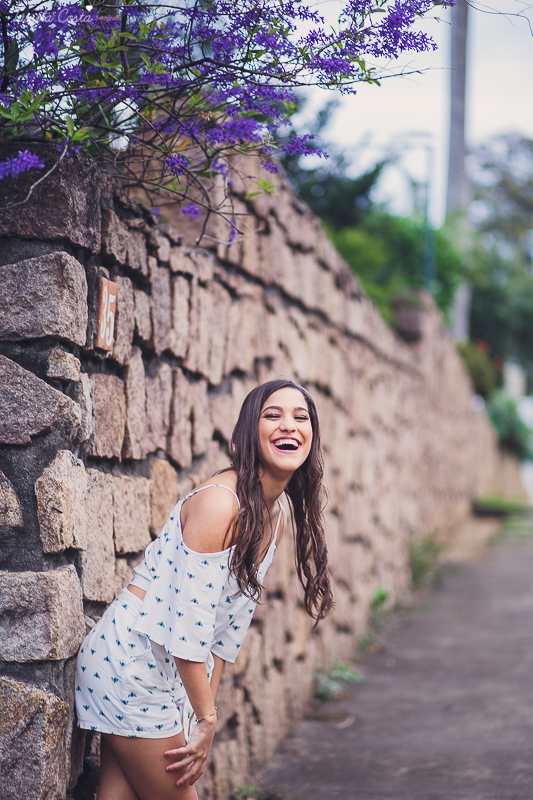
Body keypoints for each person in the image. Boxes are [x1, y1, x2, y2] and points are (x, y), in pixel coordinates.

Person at [75, 378, 333, 800]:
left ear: (311, 437)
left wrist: (200, 718)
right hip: (130, 666)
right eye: (273, 415)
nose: (289, 425)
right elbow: (187, 634)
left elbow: (224, 634)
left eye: (300, 417)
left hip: (156, 672)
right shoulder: (220, 505)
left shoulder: (276, 515)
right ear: (251, 431)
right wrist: (208, 719)